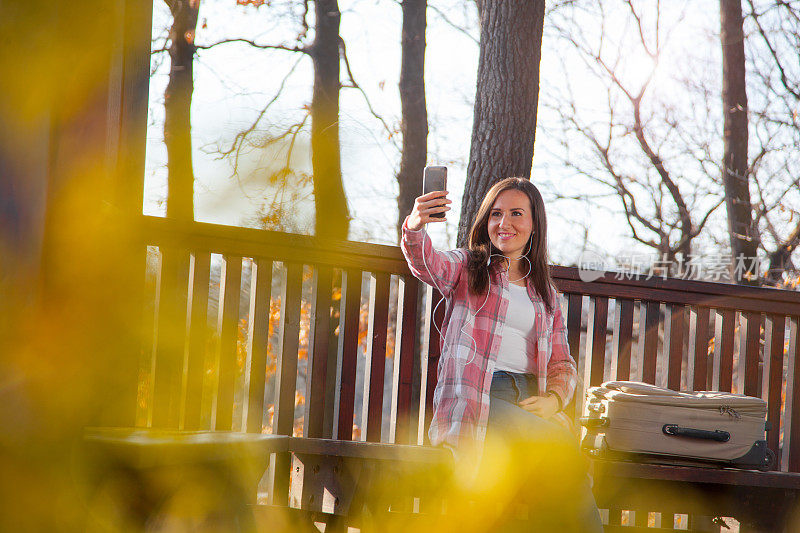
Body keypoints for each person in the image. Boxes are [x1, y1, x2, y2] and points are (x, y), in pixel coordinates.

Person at [401, 177, 602, 532]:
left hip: (529, 404)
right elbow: (425, 262)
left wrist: (554, 401)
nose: (503, 223)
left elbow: (562, 364)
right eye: (495, 213)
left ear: (534, 224)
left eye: (516, 213)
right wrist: (416, 224)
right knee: (562, 453)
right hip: (482, 399)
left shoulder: (544, 294)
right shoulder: (467, 268)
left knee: (554, 481)